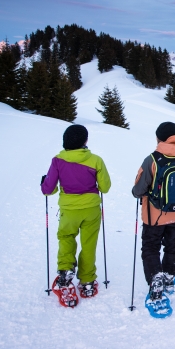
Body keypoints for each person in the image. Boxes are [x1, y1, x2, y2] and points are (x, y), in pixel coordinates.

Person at [41, 124, 111, 299]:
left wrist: (45, 182)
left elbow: (48, 189)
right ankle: (87, 280)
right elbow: (105, 187)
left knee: (66, 238)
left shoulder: (58, 160)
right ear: (85, 141)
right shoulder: (96, 160)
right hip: (91, 209)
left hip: (69, 210)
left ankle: (65, 272)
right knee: (89, 243)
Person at [132, 122, 175, 301]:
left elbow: (138, 190)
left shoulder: (152, 159)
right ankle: (169, 276)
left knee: (151, 246)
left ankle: (155, 279)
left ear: (159, 137)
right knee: (172, 244)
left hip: (154, 215)